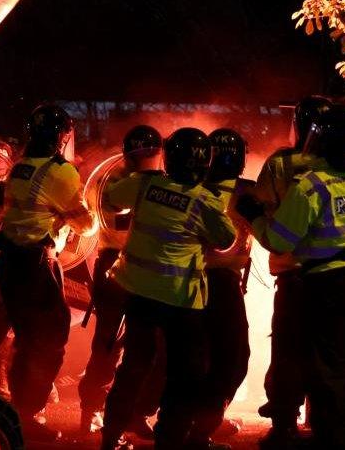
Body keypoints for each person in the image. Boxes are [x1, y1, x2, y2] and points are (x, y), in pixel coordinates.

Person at [253, 94, 345, 447]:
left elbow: (276, 228)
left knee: (295, 352)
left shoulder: (286, 168)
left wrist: (253, 216)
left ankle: (290, 425)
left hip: (303, 275)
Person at [100, 127, 236, 450]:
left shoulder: (146, 183)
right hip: (179, 300)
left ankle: (111, 437)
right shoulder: (204, 201)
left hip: (138, 294)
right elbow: (227, 241)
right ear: (205, 164)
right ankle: (170, 440)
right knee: (184, 374)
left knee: (134, 365)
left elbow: (109, 200)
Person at [0, 104, 97, 441]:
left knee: (26, 337)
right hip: (37, 262)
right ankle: (28, 414)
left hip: (11, 259)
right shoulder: (61, 172)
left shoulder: (21, 167)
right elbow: (84, 222)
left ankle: (19, 411)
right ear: (62, 136)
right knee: (49, 339)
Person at [78, 124, 164, 438]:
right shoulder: (115, 180)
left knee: (140, 344)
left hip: (133, 264)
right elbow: (113, 218)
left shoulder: (133, 178)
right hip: (118, 262)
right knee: (111, 343)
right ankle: (93, 409)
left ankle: (128, 412)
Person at [199, 128, 254, 439]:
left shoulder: (192, 188)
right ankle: (204, 426)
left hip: (189, 283)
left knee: (197, 355)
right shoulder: (246, 192)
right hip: (222, 284)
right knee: (232, 357)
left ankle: (186, 423)